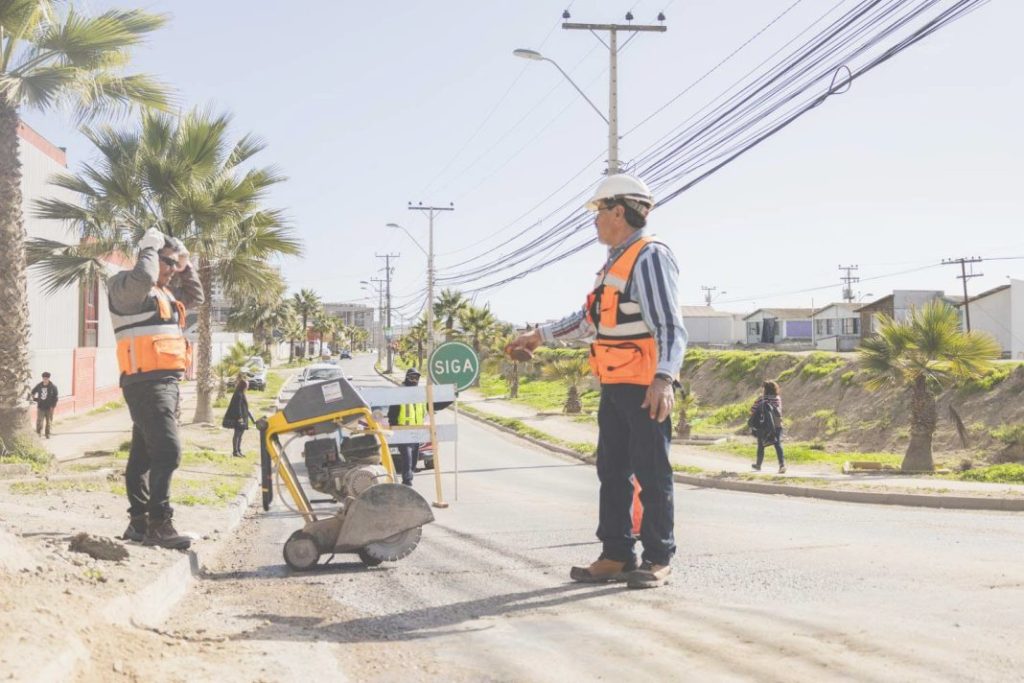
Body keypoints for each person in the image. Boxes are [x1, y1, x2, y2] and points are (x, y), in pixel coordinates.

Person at [506, 174, 686, 590]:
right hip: (616, 385)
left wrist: (664, 379)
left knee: (652, 473)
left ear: (619, 211)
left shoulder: (650, 256)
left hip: (645, 386)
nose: (595, 221)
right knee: (612, 471)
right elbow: (589, 322)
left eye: (598, 212)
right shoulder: (613, 265)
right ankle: (617, 554)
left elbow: (670, 327)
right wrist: (539, 335)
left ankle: (658, 557)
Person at [107, 227, 203, 549]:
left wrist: (185, 263)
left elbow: (197, 297)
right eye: (167, 262)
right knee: (168, 451)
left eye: (175, 265)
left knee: (143, 459)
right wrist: (149, 246)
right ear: (149, 257)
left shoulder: (166, 294)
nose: (172, 270)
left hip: (164, 384)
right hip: (147, 384)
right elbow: (143, 277)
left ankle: (139, 524)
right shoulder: (126, 287)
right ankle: (159, 526)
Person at [387, 368, 424, 485]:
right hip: (402, 431)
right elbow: (392, 413)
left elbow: (431, 406)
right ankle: (407, 482)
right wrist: (394, 428)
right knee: (407, 457)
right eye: (412, 377)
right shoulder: (400, 393)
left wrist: (449, 397)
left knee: (413, 461)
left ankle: (409, 476)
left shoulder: (419, 394)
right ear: (406, 378)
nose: (414, 380)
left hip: (415, 433)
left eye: (416, 378)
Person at [749, 380, 786, 474]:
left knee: (761, 445)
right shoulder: (778, 398)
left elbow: (752, 410)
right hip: (777, 424)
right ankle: (782, 465)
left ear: (765, 389)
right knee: (777, 444)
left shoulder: (761, 399)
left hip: (764, 425)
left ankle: (758, 465)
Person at [222, 377, 255, 458]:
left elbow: (245, 408)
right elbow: (237, 407)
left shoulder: (242, 393)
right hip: (239, 418)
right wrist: (240, 418)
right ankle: (235, 451)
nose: (248, 386)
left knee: (240, 435)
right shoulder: (238, 394)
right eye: (247, 385)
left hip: (243, 417)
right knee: (237, 435)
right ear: (243, 386)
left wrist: (252, 419)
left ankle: (239, 450)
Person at [29, 372, 59, 438]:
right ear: (42, 378)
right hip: (40, 407)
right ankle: (38, 433)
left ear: (48, 378)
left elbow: (55, 397)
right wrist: (35, 399)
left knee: (49, 422)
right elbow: (32, 392)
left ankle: (47, 434)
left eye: (46, 378)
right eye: (44, 378)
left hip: (49, 408)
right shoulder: (39, 385)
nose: (45, 380)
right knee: (39, 421)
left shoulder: (53, 387)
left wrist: (53, 406)